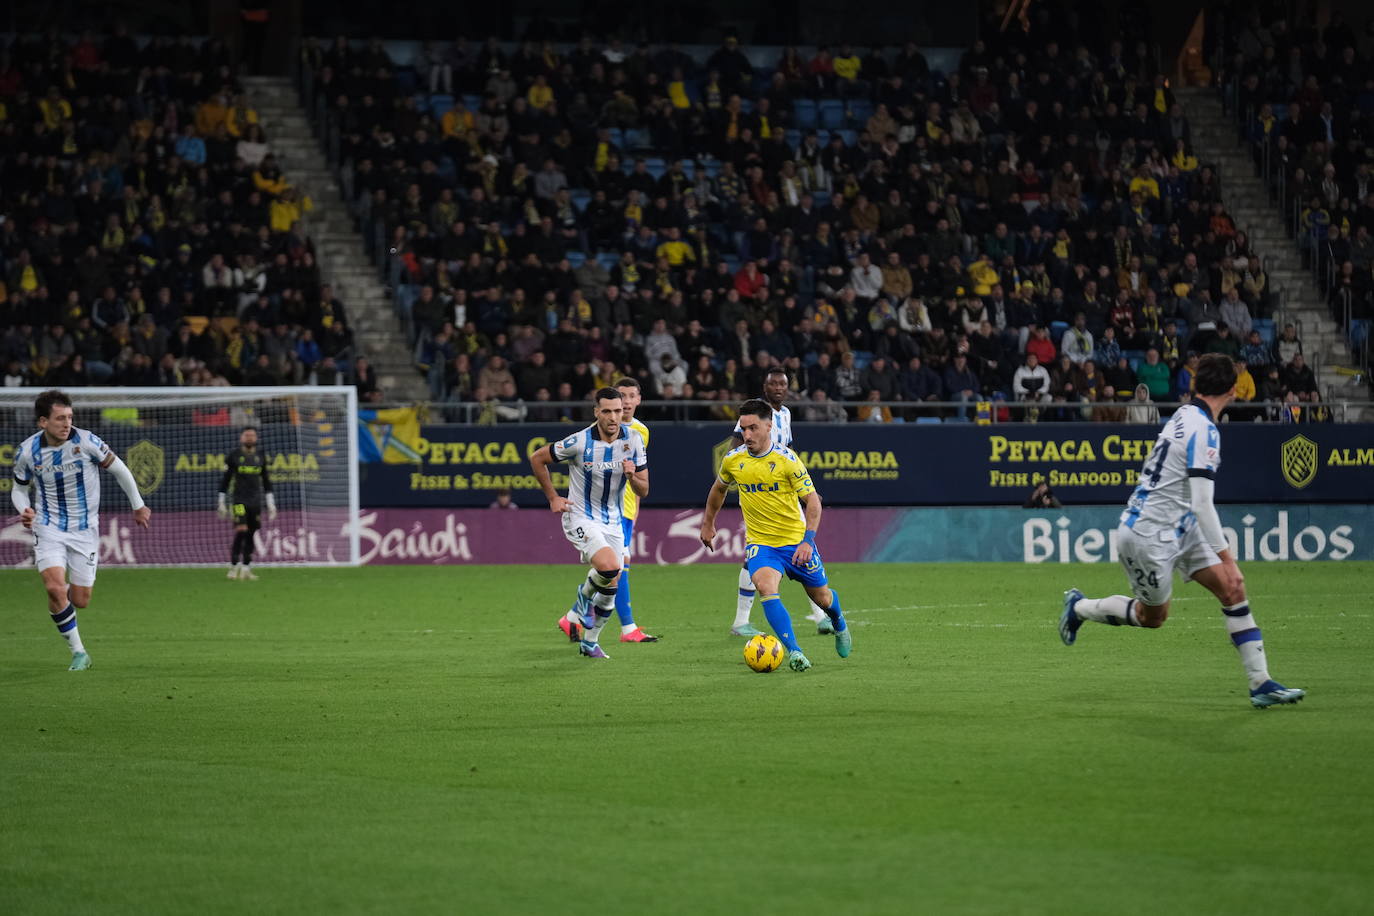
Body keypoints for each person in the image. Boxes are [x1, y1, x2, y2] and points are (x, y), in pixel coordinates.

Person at [1058, 354, 1305, 709]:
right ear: (1234, 390)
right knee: (1152, 617)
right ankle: (1079, 607)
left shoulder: (1185, 413)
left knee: (1232, 589)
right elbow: (1204, 504)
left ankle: (1260, 683)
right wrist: (1228, 558)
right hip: (1147, 535)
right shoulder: (1203, 430)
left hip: (1180, 526)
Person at [698, 399, 850, 672]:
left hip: (795, 543)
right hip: (761, 544)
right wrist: (708, 523)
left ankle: (838, 621)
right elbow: (718, 490)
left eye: (753, 428)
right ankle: (795, 652)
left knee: (823, 598)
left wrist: (808, 540)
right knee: (766, 587)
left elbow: (813, 503)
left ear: (769, 426)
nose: (747, 435)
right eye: (743, 429)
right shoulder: (734, 460)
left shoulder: (787, 461)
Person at [10, 389, 153, 670]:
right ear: (42, 421)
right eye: (60, 418)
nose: (67, 424)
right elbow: (18, 489)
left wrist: (138, 504)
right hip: (48, 525)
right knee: (53, 587)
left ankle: (62, 603)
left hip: (85, 529)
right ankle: (79, 652)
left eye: (70, 417)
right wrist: (24, 510)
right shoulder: (28, 451)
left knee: (80, 600)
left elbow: (120, 469)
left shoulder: (87, 441)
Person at [530, 388, 648, 660]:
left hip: (614, 520)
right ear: (596, 411)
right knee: (609, 567)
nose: (613, 417)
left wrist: (632, 477)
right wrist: (552, 497)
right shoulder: (579, 442)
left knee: (611, 585)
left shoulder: (634, 440)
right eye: (606, 411)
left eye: (617, 411)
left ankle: (590, 642)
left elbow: (644, 490)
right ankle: (582, 601)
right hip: (581, 516)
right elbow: (537, 458)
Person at [725, 367, 832, 637]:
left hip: (783, 490)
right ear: (765, 386)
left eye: (782, 384)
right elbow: (735, 449)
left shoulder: (785, 414)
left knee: (801, 549)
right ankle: (740, 621)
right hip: (759, 493)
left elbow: (788, 452)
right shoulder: (754, 415)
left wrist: (804, 487)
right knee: (754, 556)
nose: (778, 388)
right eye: (773, 384)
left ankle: (820, 615)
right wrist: (737, 480)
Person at [216, 426, 278, 580]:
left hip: (255, 501)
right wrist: (221, 502)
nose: (249, 438)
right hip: (239, 500)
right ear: (241, 438)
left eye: (252, 435)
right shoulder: (234, 456)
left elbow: (266, 481)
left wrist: (271, 503)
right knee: (242, 530)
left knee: (251, 533)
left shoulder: (261, 456)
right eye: (247, 435)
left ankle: (246, 567)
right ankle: (233, 566)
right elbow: (226, 480)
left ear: (256, 438)